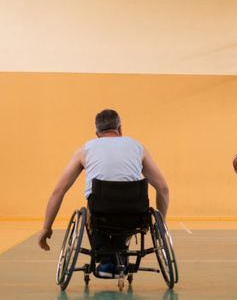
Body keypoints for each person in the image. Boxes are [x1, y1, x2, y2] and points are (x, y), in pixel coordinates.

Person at [38, 109, 169, 277]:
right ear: (120, 129)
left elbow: (58, 191)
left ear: (97, 134)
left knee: (93, 209)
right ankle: (121, 255)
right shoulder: (138, 147)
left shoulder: (85, 150)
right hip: (134, 213)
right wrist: (161, 224)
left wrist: (46, 228)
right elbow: (163, 188)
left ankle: (106, 259)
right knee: (124, 208)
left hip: (101, 213)